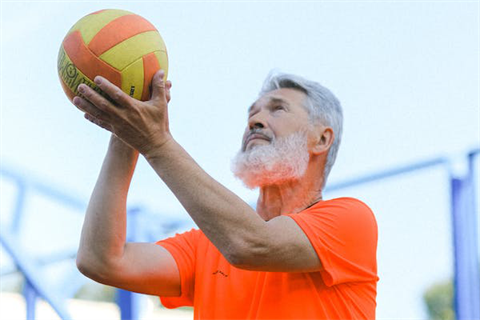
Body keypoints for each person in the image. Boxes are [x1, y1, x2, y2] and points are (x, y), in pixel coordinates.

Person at [74, 69, 379, 319]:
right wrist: (125, 135)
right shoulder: (206, 246)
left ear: (321, 139)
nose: (254, 121)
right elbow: (101, 260)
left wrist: (155, 143)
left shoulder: (351, 220)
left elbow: (251, 244)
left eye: (278, 108)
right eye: (253, 113)